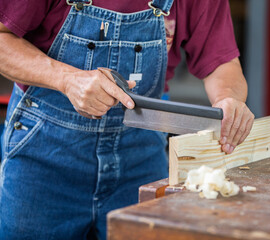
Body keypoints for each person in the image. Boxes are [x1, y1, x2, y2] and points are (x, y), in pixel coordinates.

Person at [0, 0, 254, 239]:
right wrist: (66, 79)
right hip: (44, 154)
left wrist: (229, 99)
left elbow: (221, 62)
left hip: (141, 157)